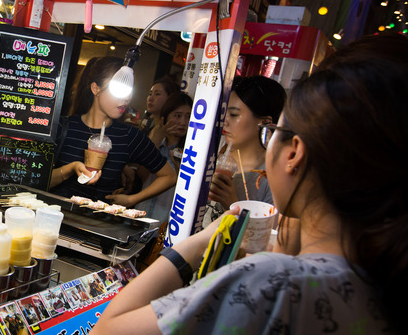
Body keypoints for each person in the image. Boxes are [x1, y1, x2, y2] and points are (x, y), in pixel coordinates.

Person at [90, 35, 407, 334]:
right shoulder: (378, 288)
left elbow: (107, 328)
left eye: (273, 134)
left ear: (294, 153)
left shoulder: (271, 283)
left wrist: (201, 242)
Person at [50, 57, 176, 206]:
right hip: (55, 219)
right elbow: (35, 179)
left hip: (97, 225)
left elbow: (169, 176)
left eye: (129, 91)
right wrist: (70, 169)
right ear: (95, 88)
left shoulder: (128, 136)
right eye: (118, 89)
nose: (127, 98)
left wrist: (132, 199)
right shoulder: (63, 127)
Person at [208, 75, 286, 211]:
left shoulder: (273, 178)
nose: (224, 121)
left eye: (233, 115)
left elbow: (266, 232)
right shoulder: (212, 151)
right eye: (224, 113)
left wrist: (232, 204)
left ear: (265, 122)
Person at [134, 93, 192, 223]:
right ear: (164, 118)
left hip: (167, 220)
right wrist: (155, 140)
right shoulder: (157, 143)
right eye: (177, 116)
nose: (183, 122)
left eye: (188, 117)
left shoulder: (190, 153)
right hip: (142, 212)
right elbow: (142, 175)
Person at [141, 77, 181, 146]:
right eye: (150, 94)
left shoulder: (172, 133)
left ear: (170, 98)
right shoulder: (149, 129)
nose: (150, 98)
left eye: (157, 94)